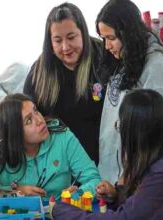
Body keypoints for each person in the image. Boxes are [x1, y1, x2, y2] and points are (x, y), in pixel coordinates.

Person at [53, 89, 163, 219]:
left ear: (134, 132)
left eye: (121, 125)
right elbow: (144, 206)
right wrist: (116, 195)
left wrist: (64, 211)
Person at [96, 0, 163, 183]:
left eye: (111, 38)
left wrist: (132, 175)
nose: (107, 46)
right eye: (104, 39)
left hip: (137, 178)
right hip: (113, 175)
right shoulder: (123, 59)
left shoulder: (156, 67)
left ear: (128, 34)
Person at [0, 93, 101, 201]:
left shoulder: (62, 137)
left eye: (36, 111)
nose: (40, 120)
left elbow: (94, 179)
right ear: (15, 133)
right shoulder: (1, 151)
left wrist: (79, 194)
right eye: (29, 120)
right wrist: (13, 192)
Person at [23, 2, 105, 165]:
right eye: (58, 40)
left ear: (83, 32)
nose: (66, 47)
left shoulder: (103, 57)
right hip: (58, 164)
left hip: (103, 159)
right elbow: (26, 122)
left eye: (71, 37)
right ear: (50, 43)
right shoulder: (40, 72)